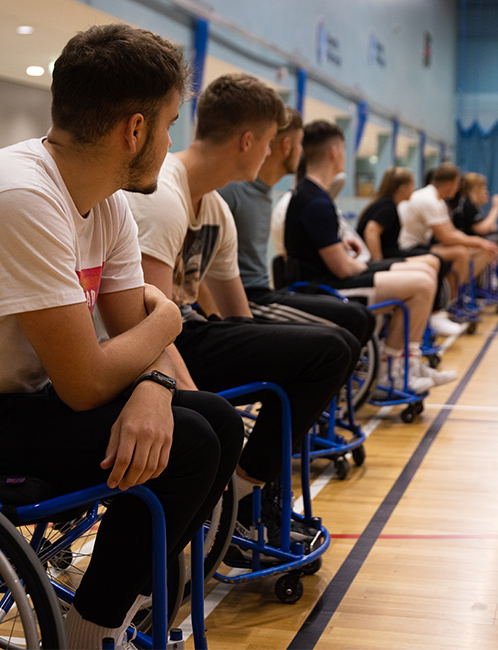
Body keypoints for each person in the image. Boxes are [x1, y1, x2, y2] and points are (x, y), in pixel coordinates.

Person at [0, 24, 244, 649]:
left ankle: (119, 605)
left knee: (215, 423)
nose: (172, 141)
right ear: (136, 129)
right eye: (171, 123)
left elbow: (132, 336)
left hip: (9, 401)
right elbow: (87, 381)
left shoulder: (108, 201)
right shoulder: (18, 195)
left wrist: (157, 385)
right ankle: (92, 631)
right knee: (191, 444)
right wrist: (169, 319)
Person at [126, 74, 356, 542]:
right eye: (272, 142)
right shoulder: (162, 197)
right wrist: (197, 400)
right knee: (331, 348)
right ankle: (242, 493)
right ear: (249, 141)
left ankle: (246, 489)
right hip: (153, 344)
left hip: (192, 333)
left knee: (332, 345)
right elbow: (142, 323)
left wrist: (272, 359)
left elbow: (238, 317)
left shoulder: (214, 208)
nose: (273, 153)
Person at [283, 120, 456, 394]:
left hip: (329, 276)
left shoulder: (312, 194)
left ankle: (406, 364)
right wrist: (363, 263)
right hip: (324, 287)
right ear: (335, 152)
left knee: (424, 273)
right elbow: (342, 269)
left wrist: (351, 255)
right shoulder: (314, 199)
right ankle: (394, 372)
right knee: (422, 283)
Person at [217, 106, 376, 349]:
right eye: (301, 144)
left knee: (357, 319)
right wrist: (238, 322)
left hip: (265, 292)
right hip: (253, 297)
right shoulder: (233, 191)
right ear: (288, 146)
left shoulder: (265, 191)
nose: (303, 153)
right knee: (347, 328)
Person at [357, 166, 464, 336]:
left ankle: (433, 313)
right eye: (412, 186)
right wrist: (377, 262)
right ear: (403, 188)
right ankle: (434, 314)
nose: (414, 191)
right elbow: (371, 231)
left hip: (391, 250)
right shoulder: (387, 207)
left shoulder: (389, 204)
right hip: (385, 254)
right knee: (433, 260)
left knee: (434, 260)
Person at [398, 162, 498, 287]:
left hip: (421, 245)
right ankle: (452, 299)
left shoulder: (439, 201)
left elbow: (452, 231)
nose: (458, 189)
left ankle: (461, 292)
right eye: (458, 184)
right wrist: (480, 242)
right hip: (408, 247)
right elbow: (446, 237)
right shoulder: (428, 199)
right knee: (460, 253)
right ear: (449, 184)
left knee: (480, 250)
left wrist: (481, 244)